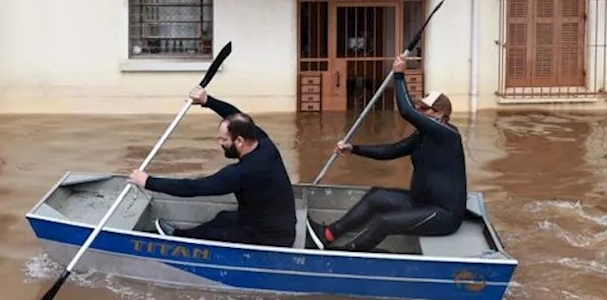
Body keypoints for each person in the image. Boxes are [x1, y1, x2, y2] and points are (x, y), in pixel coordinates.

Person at [305, 52, 467, 253]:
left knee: (384, 221)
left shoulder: (448, 135)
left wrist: (399, 75)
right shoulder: (422, 135)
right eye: (419, 107)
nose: (419, 112)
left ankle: (345, 255)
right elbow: (392, 151)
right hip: (420, 202)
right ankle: (328, 234)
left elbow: (406, 111)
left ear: (440, 115)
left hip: (443, 214)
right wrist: (354, 149)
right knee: (377, 196)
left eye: (424, 110)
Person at [127, 85, 297, 248]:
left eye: (224, 140)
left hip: (272, 238)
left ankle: (178, 239)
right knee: (223, 218)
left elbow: (194, 188)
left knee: (216, 234)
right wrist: (207, 100)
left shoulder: (242, 173)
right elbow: (234, 114)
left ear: (239, 141)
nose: (220, 143)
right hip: (276, 222)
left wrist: (148, 181)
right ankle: (180, 234)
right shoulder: (264, 142)